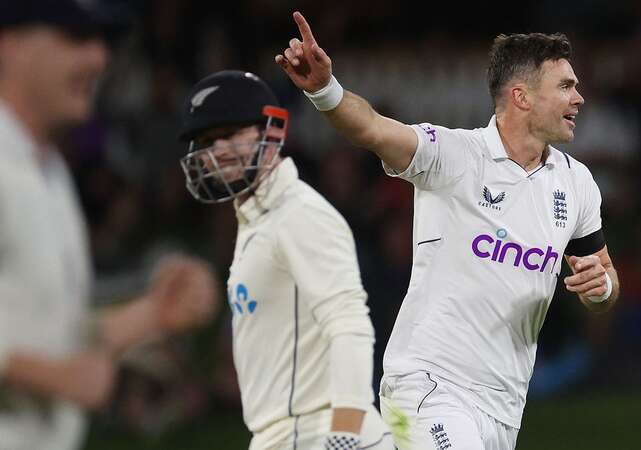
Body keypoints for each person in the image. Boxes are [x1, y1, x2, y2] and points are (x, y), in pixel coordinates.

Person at [276, 12, 621, 450]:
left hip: (504, 406)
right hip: (426, 386)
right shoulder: (454, 156)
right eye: (566, 86)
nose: (580, 98)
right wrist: (326, 90)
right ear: (522, 96)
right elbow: (372, 128)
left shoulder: (576, 184)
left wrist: (601, 289)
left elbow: (605, 277)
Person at [0, 2, 219, 449]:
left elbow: (47, 331)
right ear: (10, 45)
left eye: (101, 43)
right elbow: (55, 367)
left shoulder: (47, 170)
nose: (98, 59)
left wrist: (153, 314)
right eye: (75, 38)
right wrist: (54, 377)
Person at [177, 70, 393, 450]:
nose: (219, 150)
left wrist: (346, 431)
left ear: (271, 131)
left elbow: (349, 324)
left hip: (319, 433)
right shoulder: (258, 220)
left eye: (231, 134)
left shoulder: (298, 214)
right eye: (208, 141)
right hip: (288, 434)